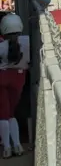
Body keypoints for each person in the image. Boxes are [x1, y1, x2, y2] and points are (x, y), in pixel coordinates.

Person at [0, 14, 28, 158]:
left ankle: (7, 147)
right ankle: (17, 145)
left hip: (2, 79)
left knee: (3, 115)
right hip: (19, 79)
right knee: (11, 113)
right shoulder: (26, 42)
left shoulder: (1, 46)